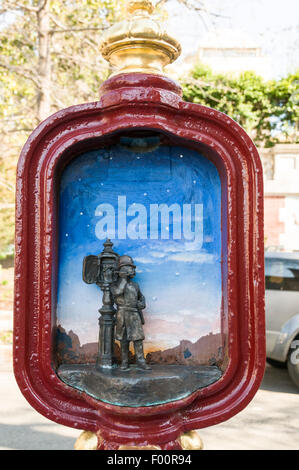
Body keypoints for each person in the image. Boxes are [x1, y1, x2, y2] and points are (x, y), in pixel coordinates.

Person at [111, 255, 151, 370]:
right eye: (129, 268)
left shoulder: (135, 285)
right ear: (122, 270)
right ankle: (124, 362)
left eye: (132, 268)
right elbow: (117, 292)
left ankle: (140, 361)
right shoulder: (115, 285)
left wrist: (141, 304)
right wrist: (123, 279)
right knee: (124, 340)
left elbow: (141, 298)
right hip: (122, 314)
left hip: (134, 314)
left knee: (138, 339)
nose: (132, 271)